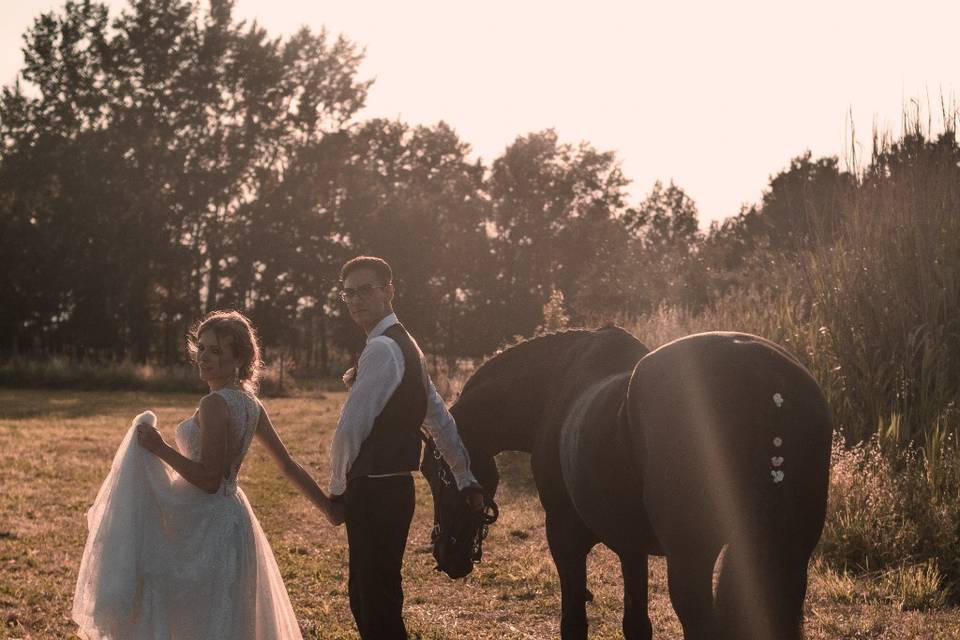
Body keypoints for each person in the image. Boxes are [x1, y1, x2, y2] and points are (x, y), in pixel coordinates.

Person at [73, 310, 339, 639]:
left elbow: (209, 480)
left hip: (205, 523)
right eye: (201, 348)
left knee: (197, 614)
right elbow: (287, 465)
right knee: (225, 613)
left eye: (216, 351)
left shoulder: (215, 404)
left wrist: (160, 448)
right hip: (234, 517)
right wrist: (328, 507)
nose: (205, 357)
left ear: (239, 358)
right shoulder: (251, 404)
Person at [330, 256, 483, 640]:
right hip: (397, 491)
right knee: (379, 595)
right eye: (348, 292)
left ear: (389, 291)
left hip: (373, 491)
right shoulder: (407, 345)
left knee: (370, 600)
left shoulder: (383, 349)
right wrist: (464, 477)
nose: (355, 299)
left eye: (365, 290)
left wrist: (336, 489)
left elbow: (350, 429)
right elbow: (439, 419)